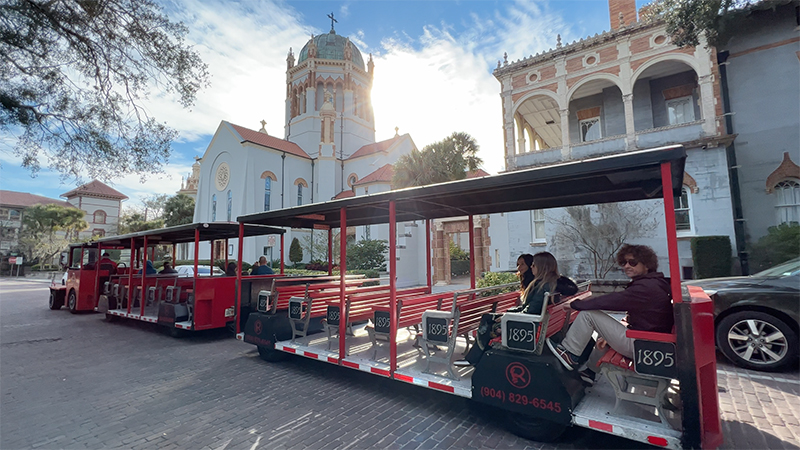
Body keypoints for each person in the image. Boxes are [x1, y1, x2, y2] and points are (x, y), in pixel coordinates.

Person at [547, 244, 674, 383]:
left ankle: (569, 353)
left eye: (632, 262)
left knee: (588, 315)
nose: (627, 266)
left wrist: (575, 304)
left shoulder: (646, 287)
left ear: (647, 265)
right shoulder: (653, 283)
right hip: (651, 342)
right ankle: (589, 372)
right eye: (624, 262)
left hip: (643, 346)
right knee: (603, 335)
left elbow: (611, 301)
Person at [454, 252, 577, 367]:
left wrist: (506, 317)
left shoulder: (541, 285)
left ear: (541, 267)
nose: (531, 267)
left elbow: (530, 312)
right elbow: (530, 308)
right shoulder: (552, 283)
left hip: (526, 328)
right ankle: (478, 357)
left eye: (533, 265)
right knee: (490, 317)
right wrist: (509, 312)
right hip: (539, 325)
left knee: (487, 322)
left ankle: (473, 359)